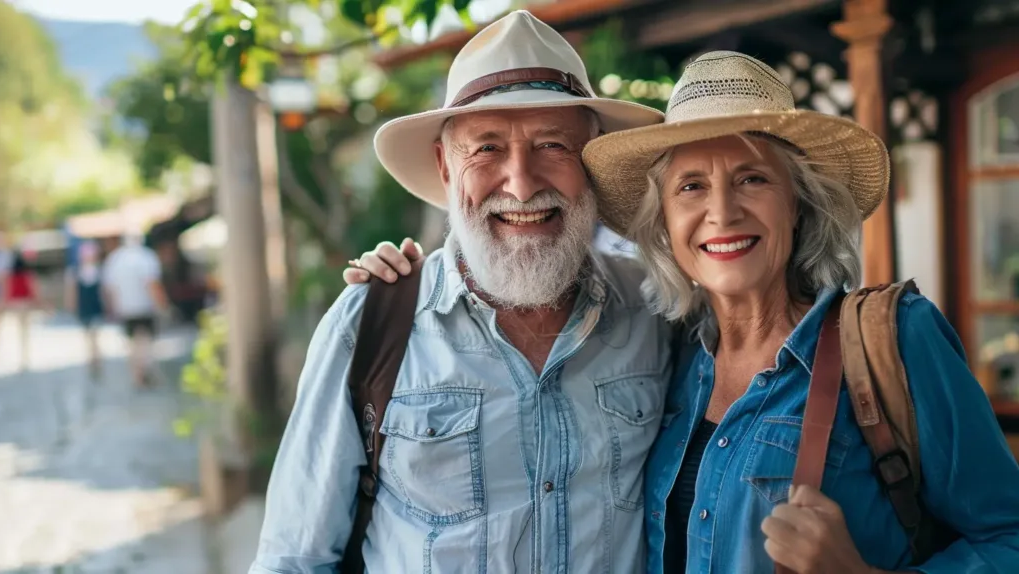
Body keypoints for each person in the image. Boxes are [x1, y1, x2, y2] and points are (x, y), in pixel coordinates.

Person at [346, 52, 1019, 572]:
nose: (721, 212)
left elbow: (1008, 539)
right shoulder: (668, 350)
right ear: (665, 221)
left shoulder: (892, 342)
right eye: (692, 186)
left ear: (798, 202)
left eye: (752, 178)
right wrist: (407, 280)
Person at [251, 10, 669, 574]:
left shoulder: (656, 306)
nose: (521, 184)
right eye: (487, 149)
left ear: (591, 163)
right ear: (446, 170)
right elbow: (294, 558)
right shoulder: (371, 324)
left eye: (552, 146)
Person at [101, 232, 167, 388]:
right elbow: (152, 284)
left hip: (125, 308)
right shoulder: (147, 257)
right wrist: (162, 304)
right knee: (145, 341)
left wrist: (112, 307)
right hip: (145, 306)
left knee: (131, 343)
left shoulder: (115, 259)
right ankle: (144, 369)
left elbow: (110, 288)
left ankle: (137, 375)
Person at [64, 239, 105, 379]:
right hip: (85, 308)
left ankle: (94, 359)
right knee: (89, 336)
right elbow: (72, 292)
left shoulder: (99, 270)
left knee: (94, 336)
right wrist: (72, 307)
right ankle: (93, 358)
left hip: (95, 307)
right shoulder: (76, 271)